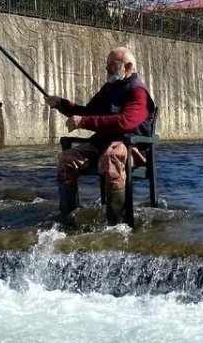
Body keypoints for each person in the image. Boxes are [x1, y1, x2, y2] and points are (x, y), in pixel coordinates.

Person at [45, 46, 157, 225]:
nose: (107, 69)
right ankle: (68, 219)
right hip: (101, 143)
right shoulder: (109, 88)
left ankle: (117, 223)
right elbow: (88, 112)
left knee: (111, 158)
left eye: (112, 64)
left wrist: (83, 122)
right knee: (66, 160)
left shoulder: (138, 92)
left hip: (131, 146)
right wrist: (61, 104)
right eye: (107, 64)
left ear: (128, 67)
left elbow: (125, 122)